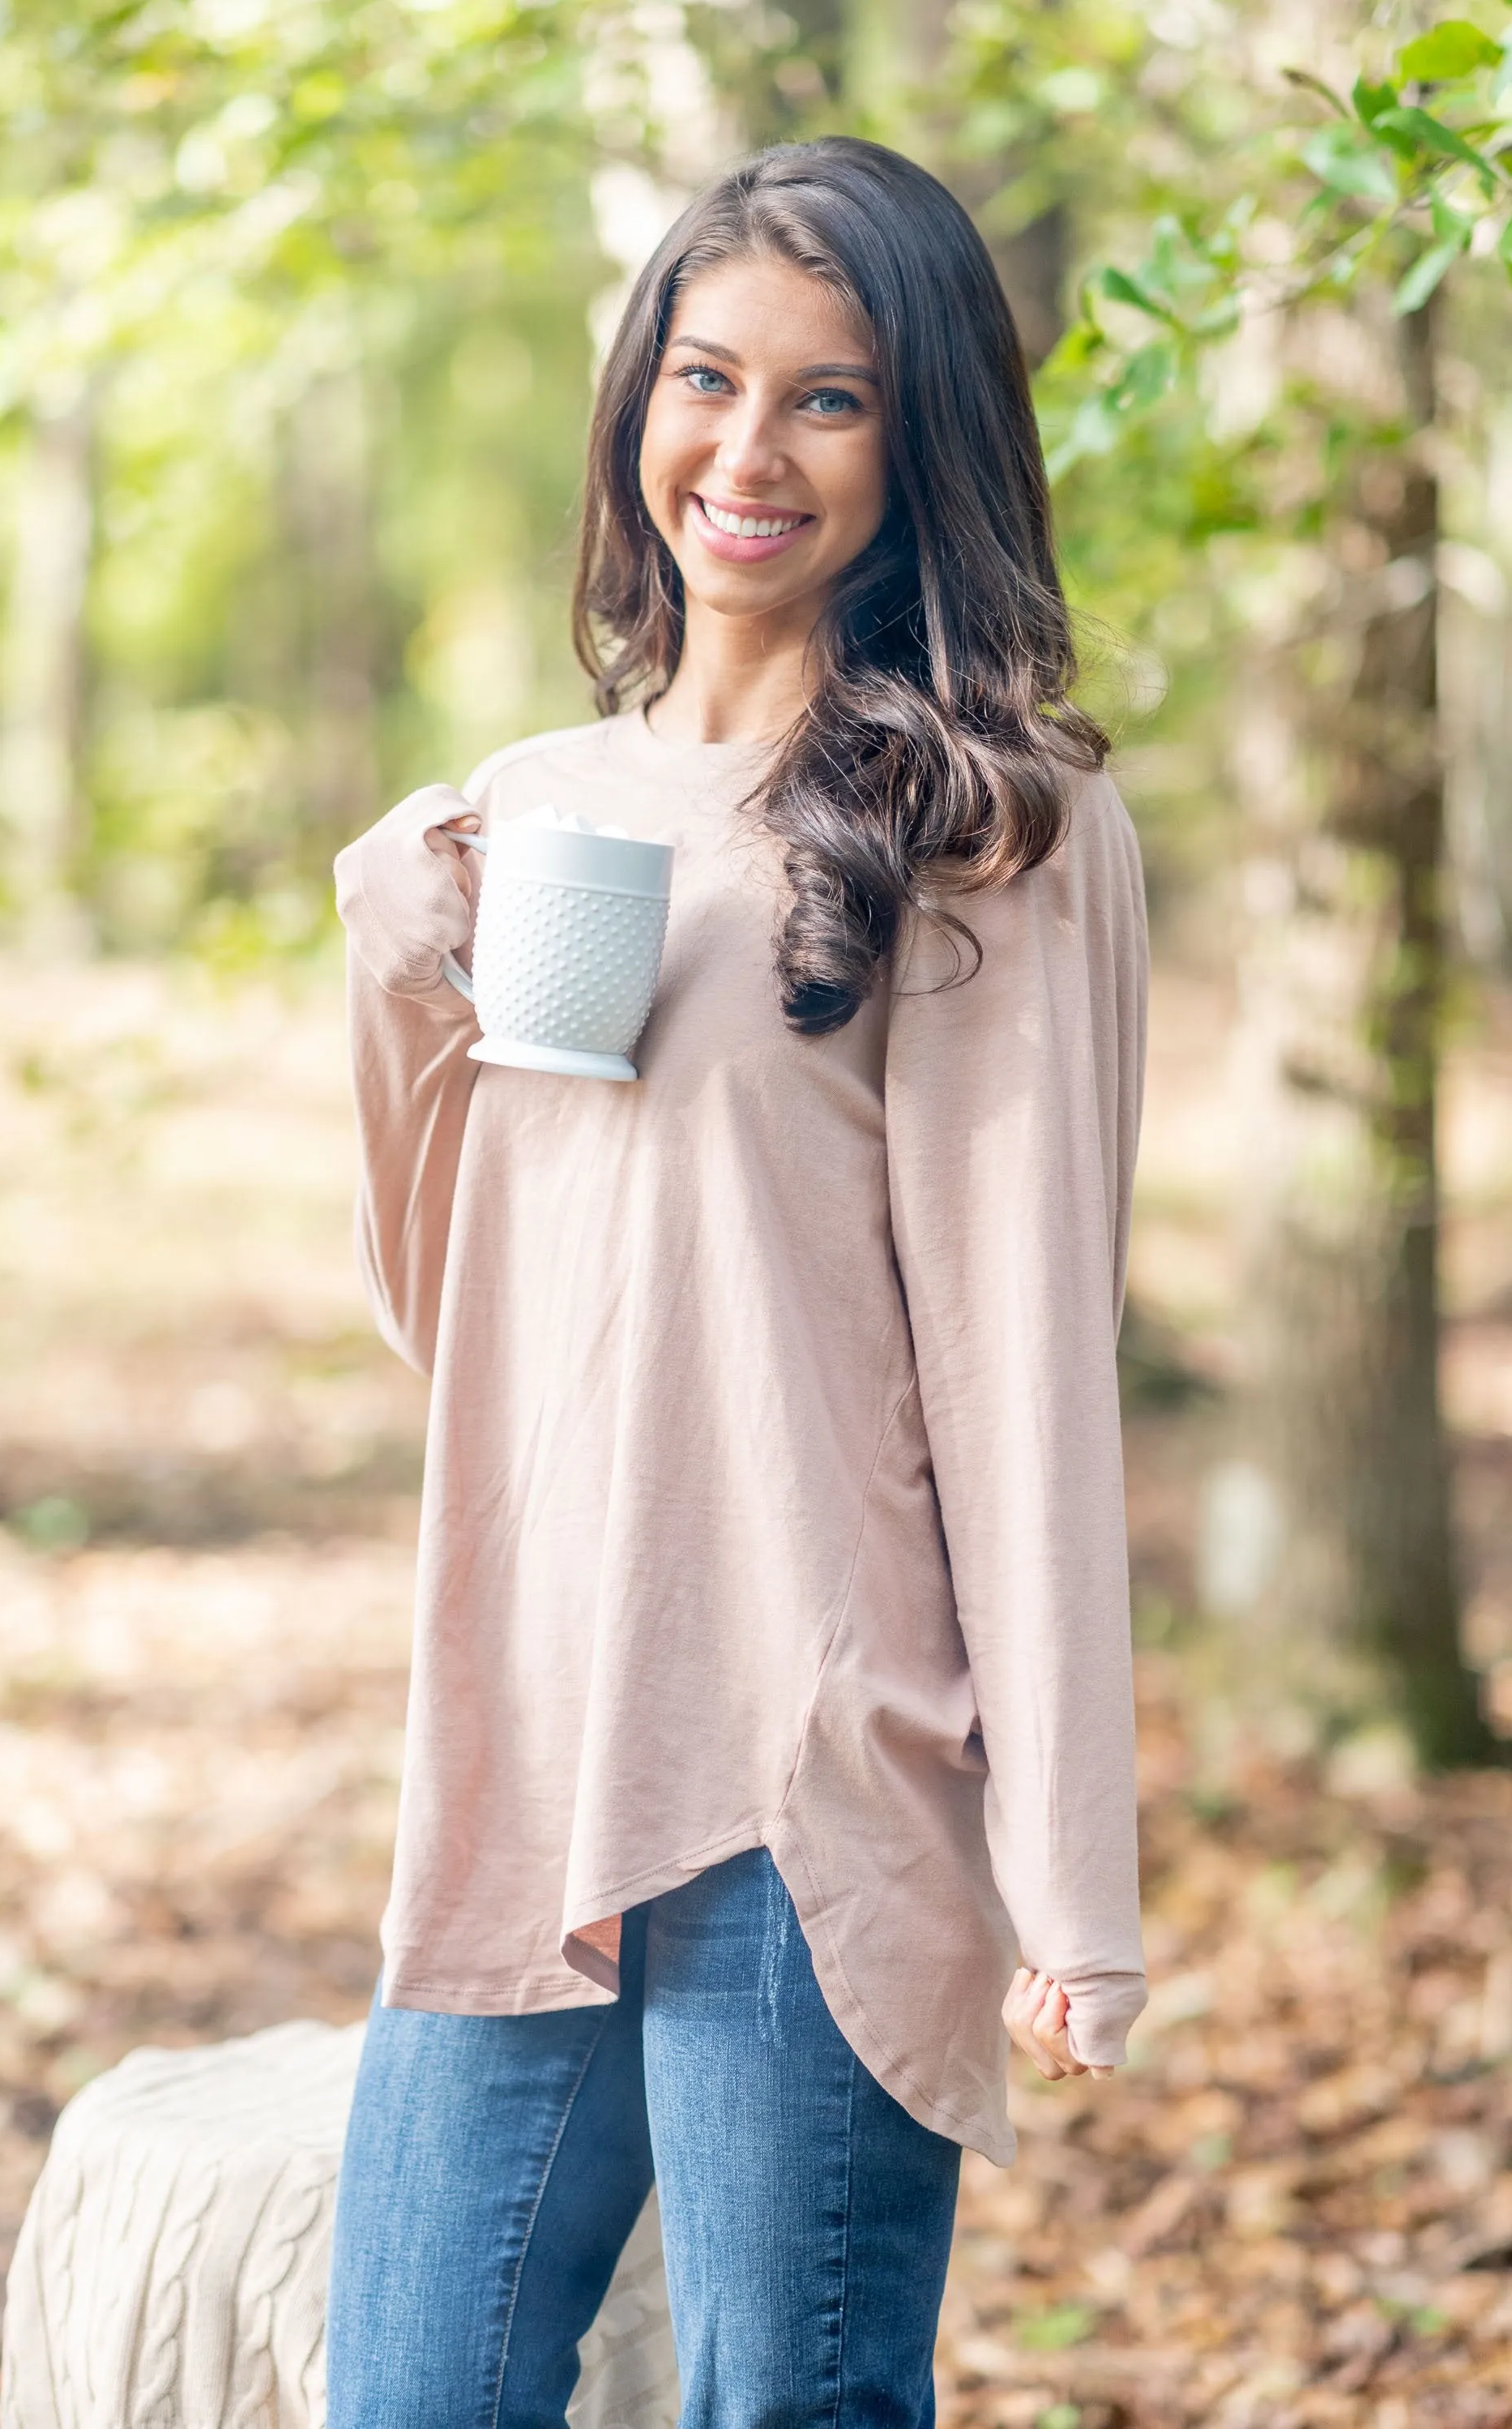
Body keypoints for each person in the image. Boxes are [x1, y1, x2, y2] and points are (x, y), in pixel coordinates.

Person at [326, 135, 1148, 2429]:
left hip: (811, 1766)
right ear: (635, 403)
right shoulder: (543, 803)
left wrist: (1073, 1872)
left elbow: (1023, 1380)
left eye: (830, 397)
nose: (745, 452)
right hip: (530, 1738)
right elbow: (461, 1314)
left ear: (927, 441)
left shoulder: (985, 825)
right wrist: (400, 957)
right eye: (706, 378)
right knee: (411, 2391)